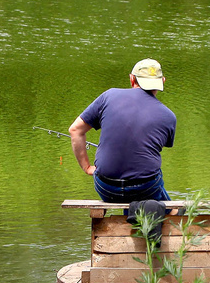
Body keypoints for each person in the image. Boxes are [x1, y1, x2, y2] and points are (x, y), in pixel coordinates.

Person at [69, 59, 176, 203]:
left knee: (142, 185)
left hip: (106, 188)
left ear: (132, 79)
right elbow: (148, 149)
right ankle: (173, 212)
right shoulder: (168, 116)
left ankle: (137, 217)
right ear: (162, 81)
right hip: (145, 189)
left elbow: (75, 130)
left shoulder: (109, 96)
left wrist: (87, 167)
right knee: (153, 182)